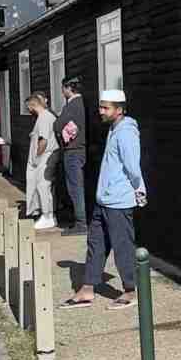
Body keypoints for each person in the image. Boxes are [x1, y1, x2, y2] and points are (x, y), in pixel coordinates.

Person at [62, 90, 145, 311]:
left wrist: (137, 189)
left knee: (122, 246)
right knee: (95, 244)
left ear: (119, 109)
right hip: (104, 199)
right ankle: (87, 289)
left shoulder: (126, 132)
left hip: (118, 201)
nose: (100, 111)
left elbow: (133, 167)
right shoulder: (114, 129)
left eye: (105, 107)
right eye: (100, 106)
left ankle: (130, 291)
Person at [54, 76, 88, 236]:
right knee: (77, 186)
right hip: (80, 150)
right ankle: (80, 221)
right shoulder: (81, 103)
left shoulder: (72, 105)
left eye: (63, 88)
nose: (62, 91)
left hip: (73, 151)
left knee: (75, 188)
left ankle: (81, 224)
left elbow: (57, 125)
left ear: (68, 88)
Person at [24, 92, 60, 230]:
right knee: (44, 186)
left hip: (45, 155)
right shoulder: (44, 116)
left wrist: (37, 157)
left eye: (28, 107)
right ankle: (49, 215)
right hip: (46, 155)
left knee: (43, 185)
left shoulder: (44, 117)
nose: (28, 110)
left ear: (32, 105)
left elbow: (43, 141)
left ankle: (47, 216)